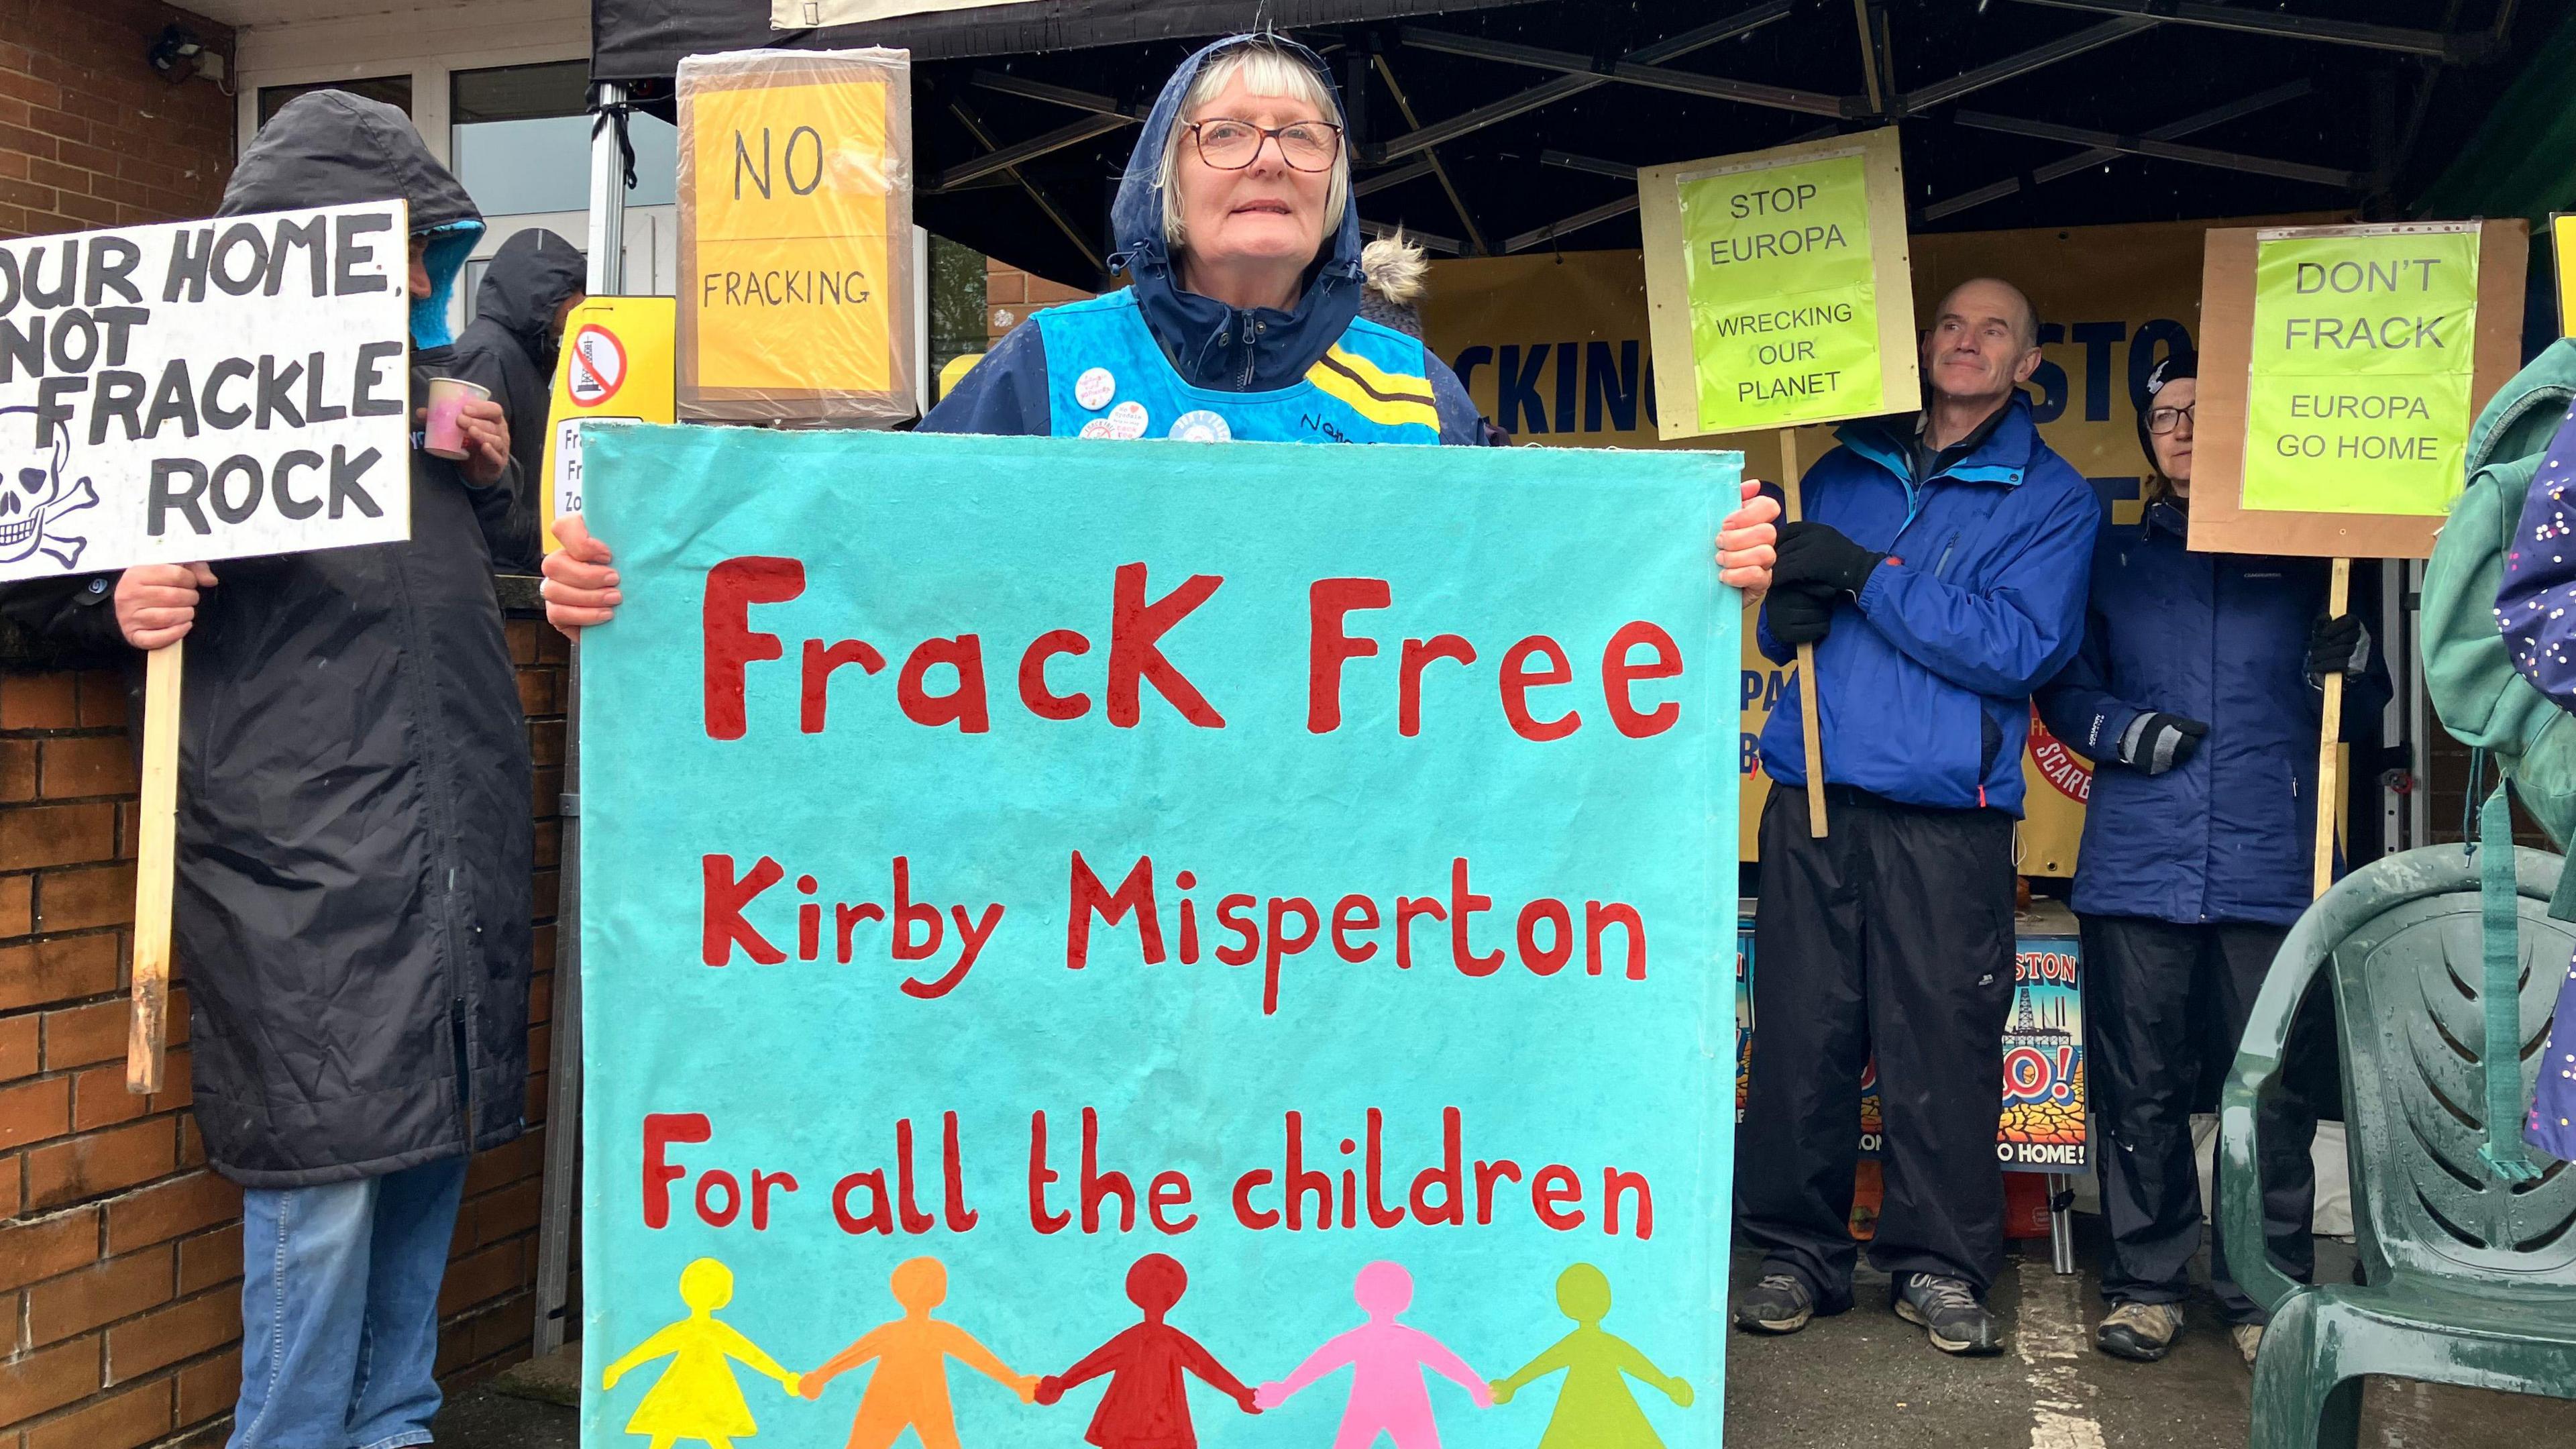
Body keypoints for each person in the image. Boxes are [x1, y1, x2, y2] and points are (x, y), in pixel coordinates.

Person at [0, 91, 533, 1449]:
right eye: (402, 248)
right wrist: (108, 602)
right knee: (329, 1187)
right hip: (302, 877)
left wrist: (492, 478)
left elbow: (506, 588)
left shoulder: (435, 421)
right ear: (318, 249)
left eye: (432, 248)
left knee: (427, 1162)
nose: (423, 279)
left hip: (448, 852)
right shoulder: (182, 411)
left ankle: (393, 1431)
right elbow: (29, 567)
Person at [539, 32, 1502, 627]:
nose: (1269, 159)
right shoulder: (1049, 366)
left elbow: (1541, 582)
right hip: (1104, 890)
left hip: (1341, 899)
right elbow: (861, 542)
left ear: (1334, 183)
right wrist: (650, 567)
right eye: (1226, 132)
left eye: (1304, 135)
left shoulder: (1416, 390)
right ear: (1166, 178)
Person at [1715, 278, 2102, 1357]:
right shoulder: (1839, 468)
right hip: (1817, 801)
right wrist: (1778, 605)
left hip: (1950, 814)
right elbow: (1788, 619)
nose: (1965, 342)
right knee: (1800, 1037)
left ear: (2029, 364)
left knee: (1943, 1046)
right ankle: (1796, 1255)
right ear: (1921, 341)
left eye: (1995, 330)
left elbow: (2018, 648)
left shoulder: (2053, 497)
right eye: (1949, 323)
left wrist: (1866, 577)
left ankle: (1938, 1266)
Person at [2034, 352, 2380, 1367]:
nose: (2180, 427)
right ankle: (2144, 1283)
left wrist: (2352, 663)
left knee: (2264, 1084)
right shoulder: (2116, 559)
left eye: (2200, 408)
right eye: (2164, 414)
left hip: (2275, 862)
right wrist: (2123, 730)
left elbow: (2363, 711)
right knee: (2138, 1082)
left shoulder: (2314, 558)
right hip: (2139, 859)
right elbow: (2064, 688)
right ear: (2147, 436)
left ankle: (2260, 1285)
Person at [451, 226, 586, 571]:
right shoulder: (488, 355)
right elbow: (474, 480)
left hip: (511, 566)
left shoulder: (520, 356)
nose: (583, 307)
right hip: (499, 573)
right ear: (545, 293)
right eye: (576, 293)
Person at [798, 1256, 1040, 1448]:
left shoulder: (898, 1331)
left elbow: (976, 1356)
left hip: (903, 1395)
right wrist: (1015, 1382)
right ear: (936, 1292)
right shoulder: (934, 1332)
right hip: (909, 1396)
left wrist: (820, 1376)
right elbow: (855, 1354)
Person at [1035, 1252, 1259, 1448]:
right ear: (1141, 1296)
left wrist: (1240, 1392)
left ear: (1170, 1300)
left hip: (1166, 1431)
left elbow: (1207, 1367)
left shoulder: (1173, 1340)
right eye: (1152, 1290)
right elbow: (1096, 1362)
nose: (1157, 1300)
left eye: (1163, 1293)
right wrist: (1063, 1382)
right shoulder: (1133, 1338)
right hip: (1126, 1431)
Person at [1254, 1261, 1489, 1447]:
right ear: (1406, 1298)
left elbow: (1322, 1361)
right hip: (1397, 1406)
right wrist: (1475, 1385)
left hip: (1380, 1406)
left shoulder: (1363, 1339)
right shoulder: (1406, 1338)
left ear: (1361, 1296)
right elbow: (1446, 1361)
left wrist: (1286, 1388)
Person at [600, 1258, 804, 1449]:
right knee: (667, 1430)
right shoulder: (682, 1329)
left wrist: (783, 1376)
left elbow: (750, 1354)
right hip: (679, 1391)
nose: (700, 1292)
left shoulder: (718, 1331)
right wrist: (618, 1368)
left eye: (708, 1288)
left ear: (720, 1295)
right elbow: (651, 1349)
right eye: (696, 1286)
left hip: (711, 1392)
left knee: (713, 1430)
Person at [1487, 1264, 1691, 1449]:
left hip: (1590, 1408)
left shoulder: (1592, 1343)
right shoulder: (1591, 1343)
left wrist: (1511, 1385)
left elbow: (1635, 1362)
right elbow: (1544, 1363)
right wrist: (1668, 1386)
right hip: (1595, 1408)